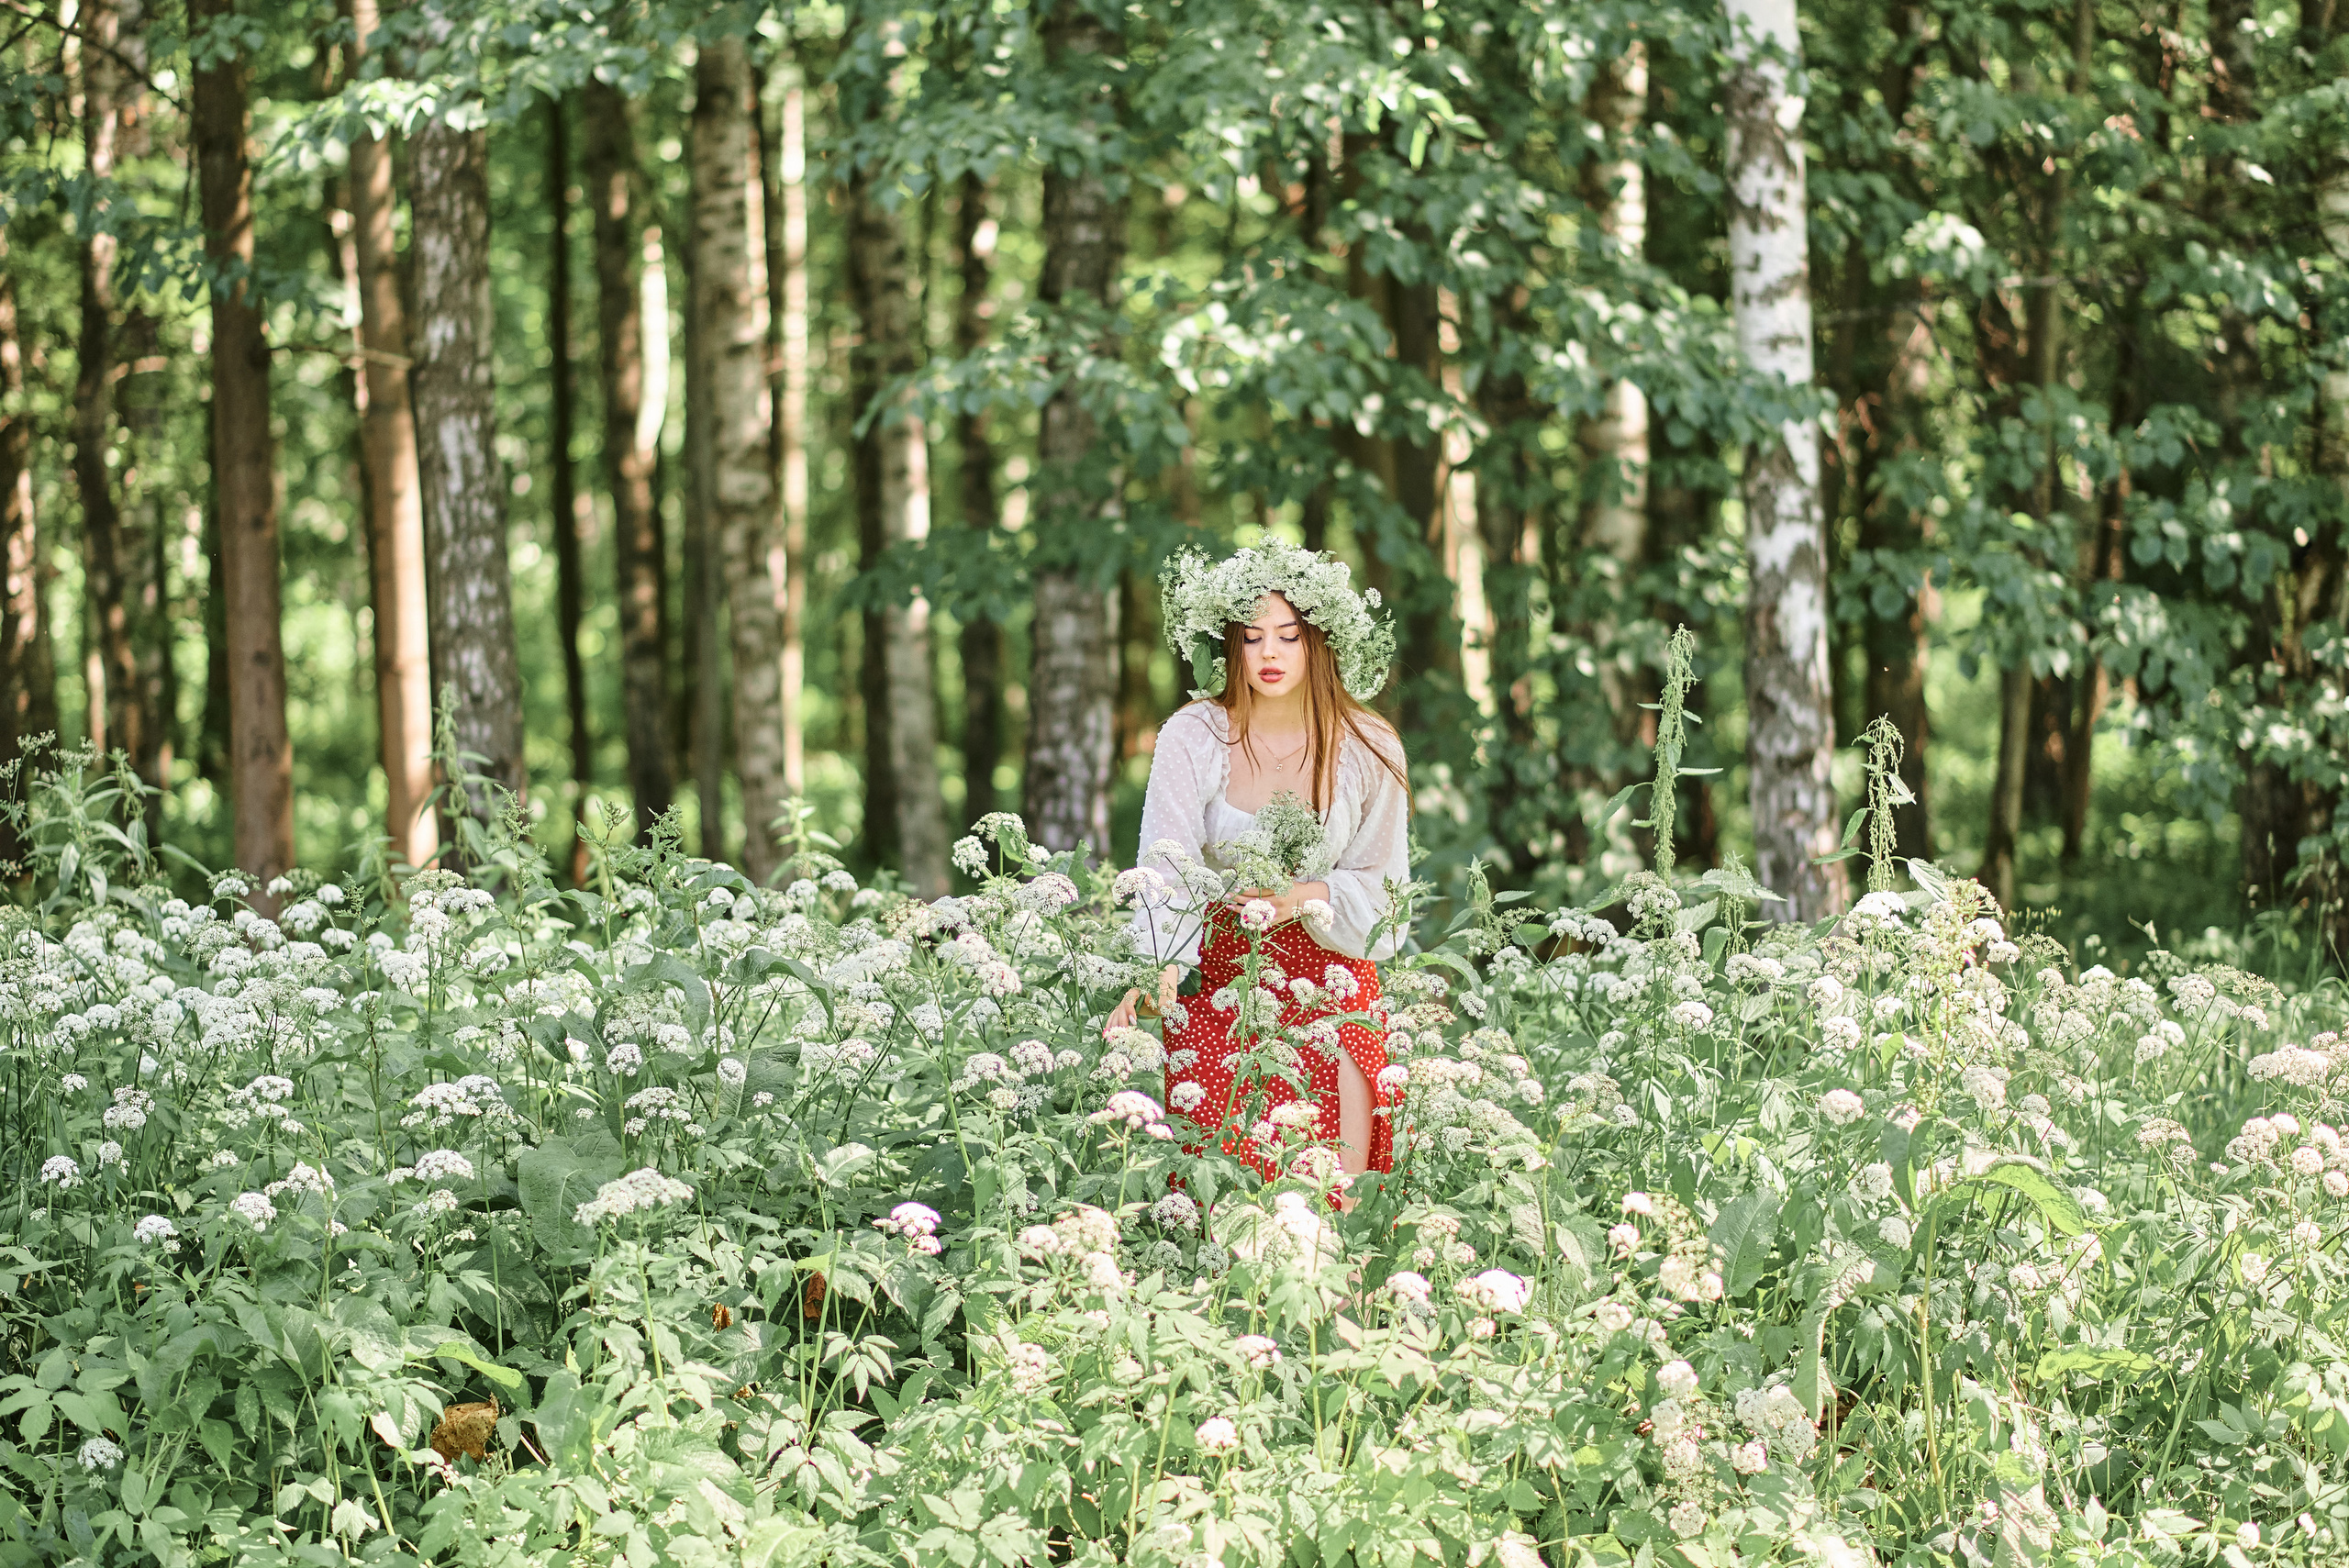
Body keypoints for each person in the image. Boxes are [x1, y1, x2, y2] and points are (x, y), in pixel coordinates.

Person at [1104, 538, 1410, 1189]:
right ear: (1230, 643)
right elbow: (1168, 862)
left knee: (1330, 1209)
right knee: (1225, 1203)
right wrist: (1155, 967)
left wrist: (1300, 896)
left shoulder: (1369, 744)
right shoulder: (1193, 735)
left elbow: (1386, 888)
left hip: (1334, 982)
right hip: (1220, 980)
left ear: (1319, 641)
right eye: (1251, 636)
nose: (1268, 653)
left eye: (1288, 635)